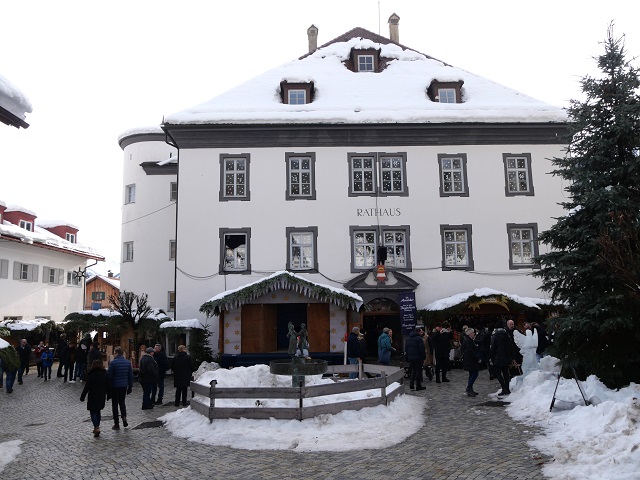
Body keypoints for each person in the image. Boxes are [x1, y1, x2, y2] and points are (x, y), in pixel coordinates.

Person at [80, 359, 111, 437]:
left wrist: (82, 396)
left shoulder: (91, 374)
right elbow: (108, 385)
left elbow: (87, 387)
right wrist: (109, 394)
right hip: (101, 395)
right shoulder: (105, 374)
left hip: (93, 395)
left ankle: (96, 427)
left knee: (93, 411)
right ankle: (97, 427)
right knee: (98, 411)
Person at [107, 346, 133, 430]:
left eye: (114, 353)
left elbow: (109, 376)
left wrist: (108, 387)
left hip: (115, 386)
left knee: (114, 404)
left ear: (117, 353)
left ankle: (116, 423)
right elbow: (130, 376)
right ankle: (124, 417)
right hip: (124, 385)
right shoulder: (127, 363)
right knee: (122, 402)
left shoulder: (113, 363)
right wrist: (130, 386)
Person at [490, 321, 513, 397]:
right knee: (506, 373)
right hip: (506, 358)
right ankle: (507, 388)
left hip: (498, 358)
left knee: (498, 374)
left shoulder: (495, 336)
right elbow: (510, 346)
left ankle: (504, 388)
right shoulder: (507, 335)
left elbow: (493, 348)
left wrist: (491, 357)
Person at [461, 327, 481, 396]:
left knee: (472, 373)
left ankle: (470, 388)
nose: (474, 334)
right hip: (471, 360)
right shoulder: (468, 341)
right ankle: (469, 388)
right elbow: (470, 351)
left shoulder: (468, 340)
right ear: (470, 334)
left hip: (469, 360)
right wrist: (477, 358)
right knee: (475, 373)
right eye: (473, 333)